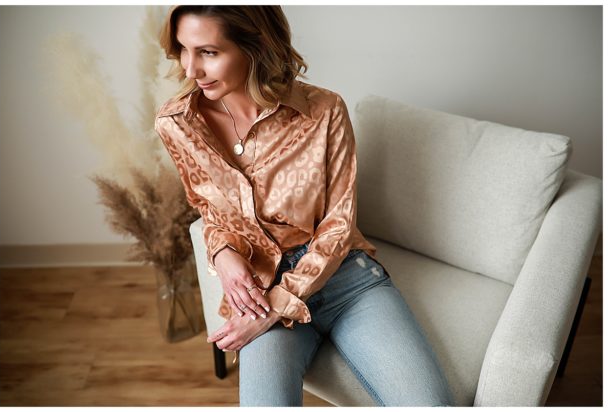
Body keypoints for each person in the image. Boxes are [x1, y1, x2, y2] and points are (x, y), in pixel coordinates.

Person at [155, 6, 453, 406]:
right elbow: (211, 208)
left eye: (208, 52)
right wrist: (224, 251)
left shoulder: (324, 111)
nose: (191, 69)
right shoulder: (177, 123)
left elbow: (339, 224)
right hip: (262, 286)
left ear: (255, 46)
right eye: (183, 49)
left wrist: (278, 306)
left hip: (347, 280)